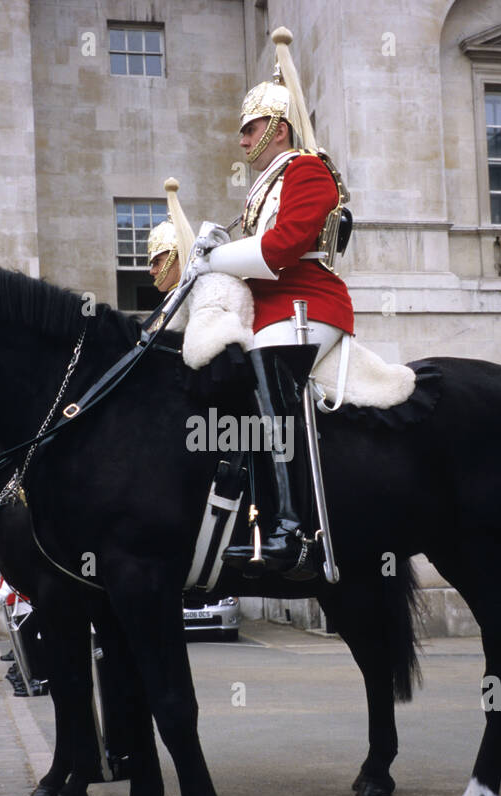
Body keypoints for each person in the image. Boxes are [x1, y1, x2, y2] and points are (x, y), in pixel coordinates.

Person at [198, 27, 352, 574]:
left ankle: (293, 527)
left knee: (265, 375)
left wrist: (214, 259)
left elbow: (281, 251)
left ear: (278, 128)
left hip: (307, 304)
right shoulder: (264, 185)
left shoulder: (308, 171)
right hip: (269, 311)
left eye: (251, 128)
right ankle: (236, 520)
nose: (242, 140)